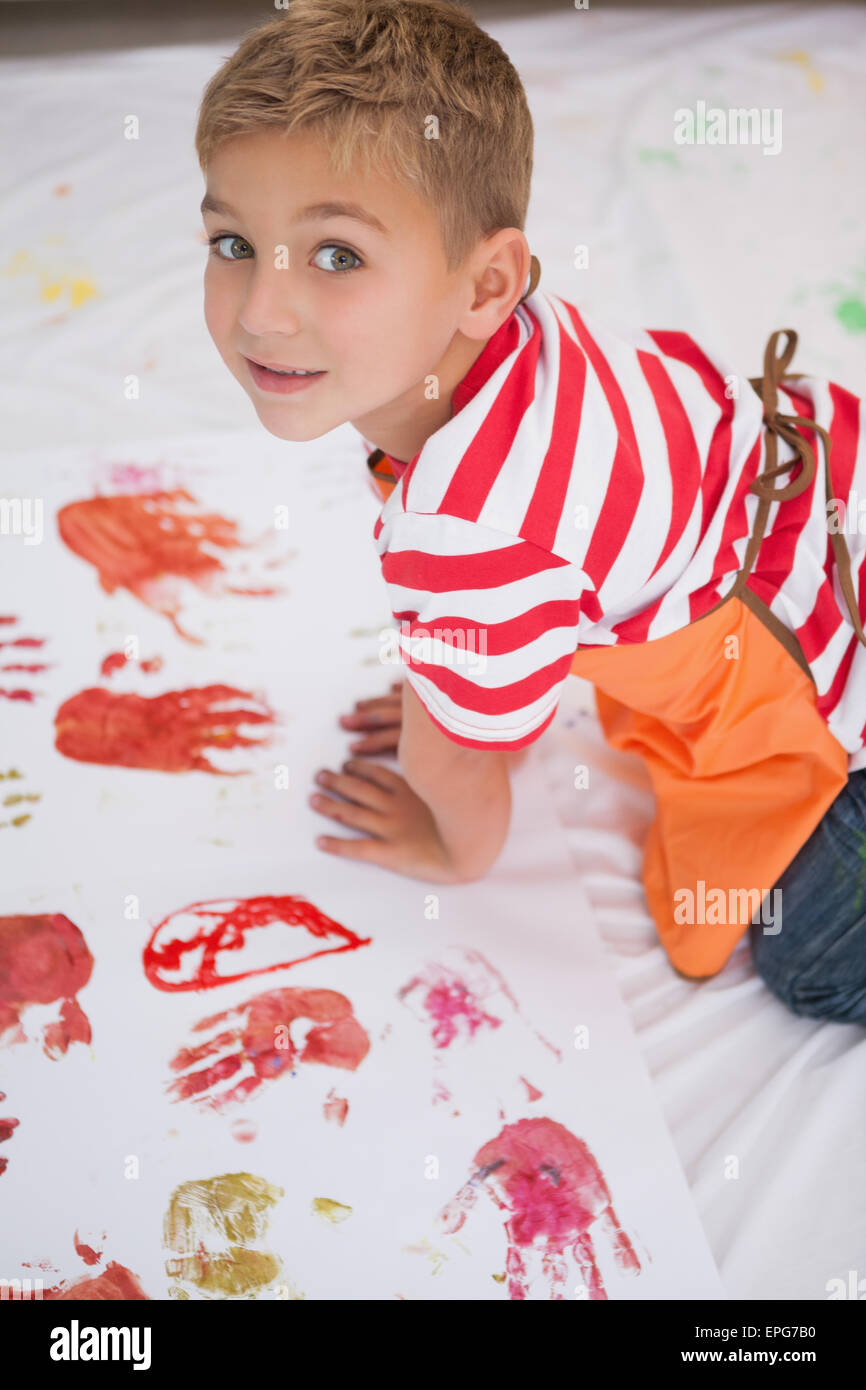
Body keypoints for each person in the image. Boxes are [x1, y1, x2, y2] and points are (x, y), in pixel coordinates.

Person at [194, 0, 866, 1023]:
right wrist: (453, 681)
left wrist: (450, 827)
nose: (260, 310)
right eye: (233, 241)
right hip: (830, 479)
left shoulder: (465, 532)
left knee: (806, 955)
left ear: (487, 282)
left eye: (335, 255)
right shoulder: (524, 336)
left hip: (822, 664)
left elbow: (459, 755)